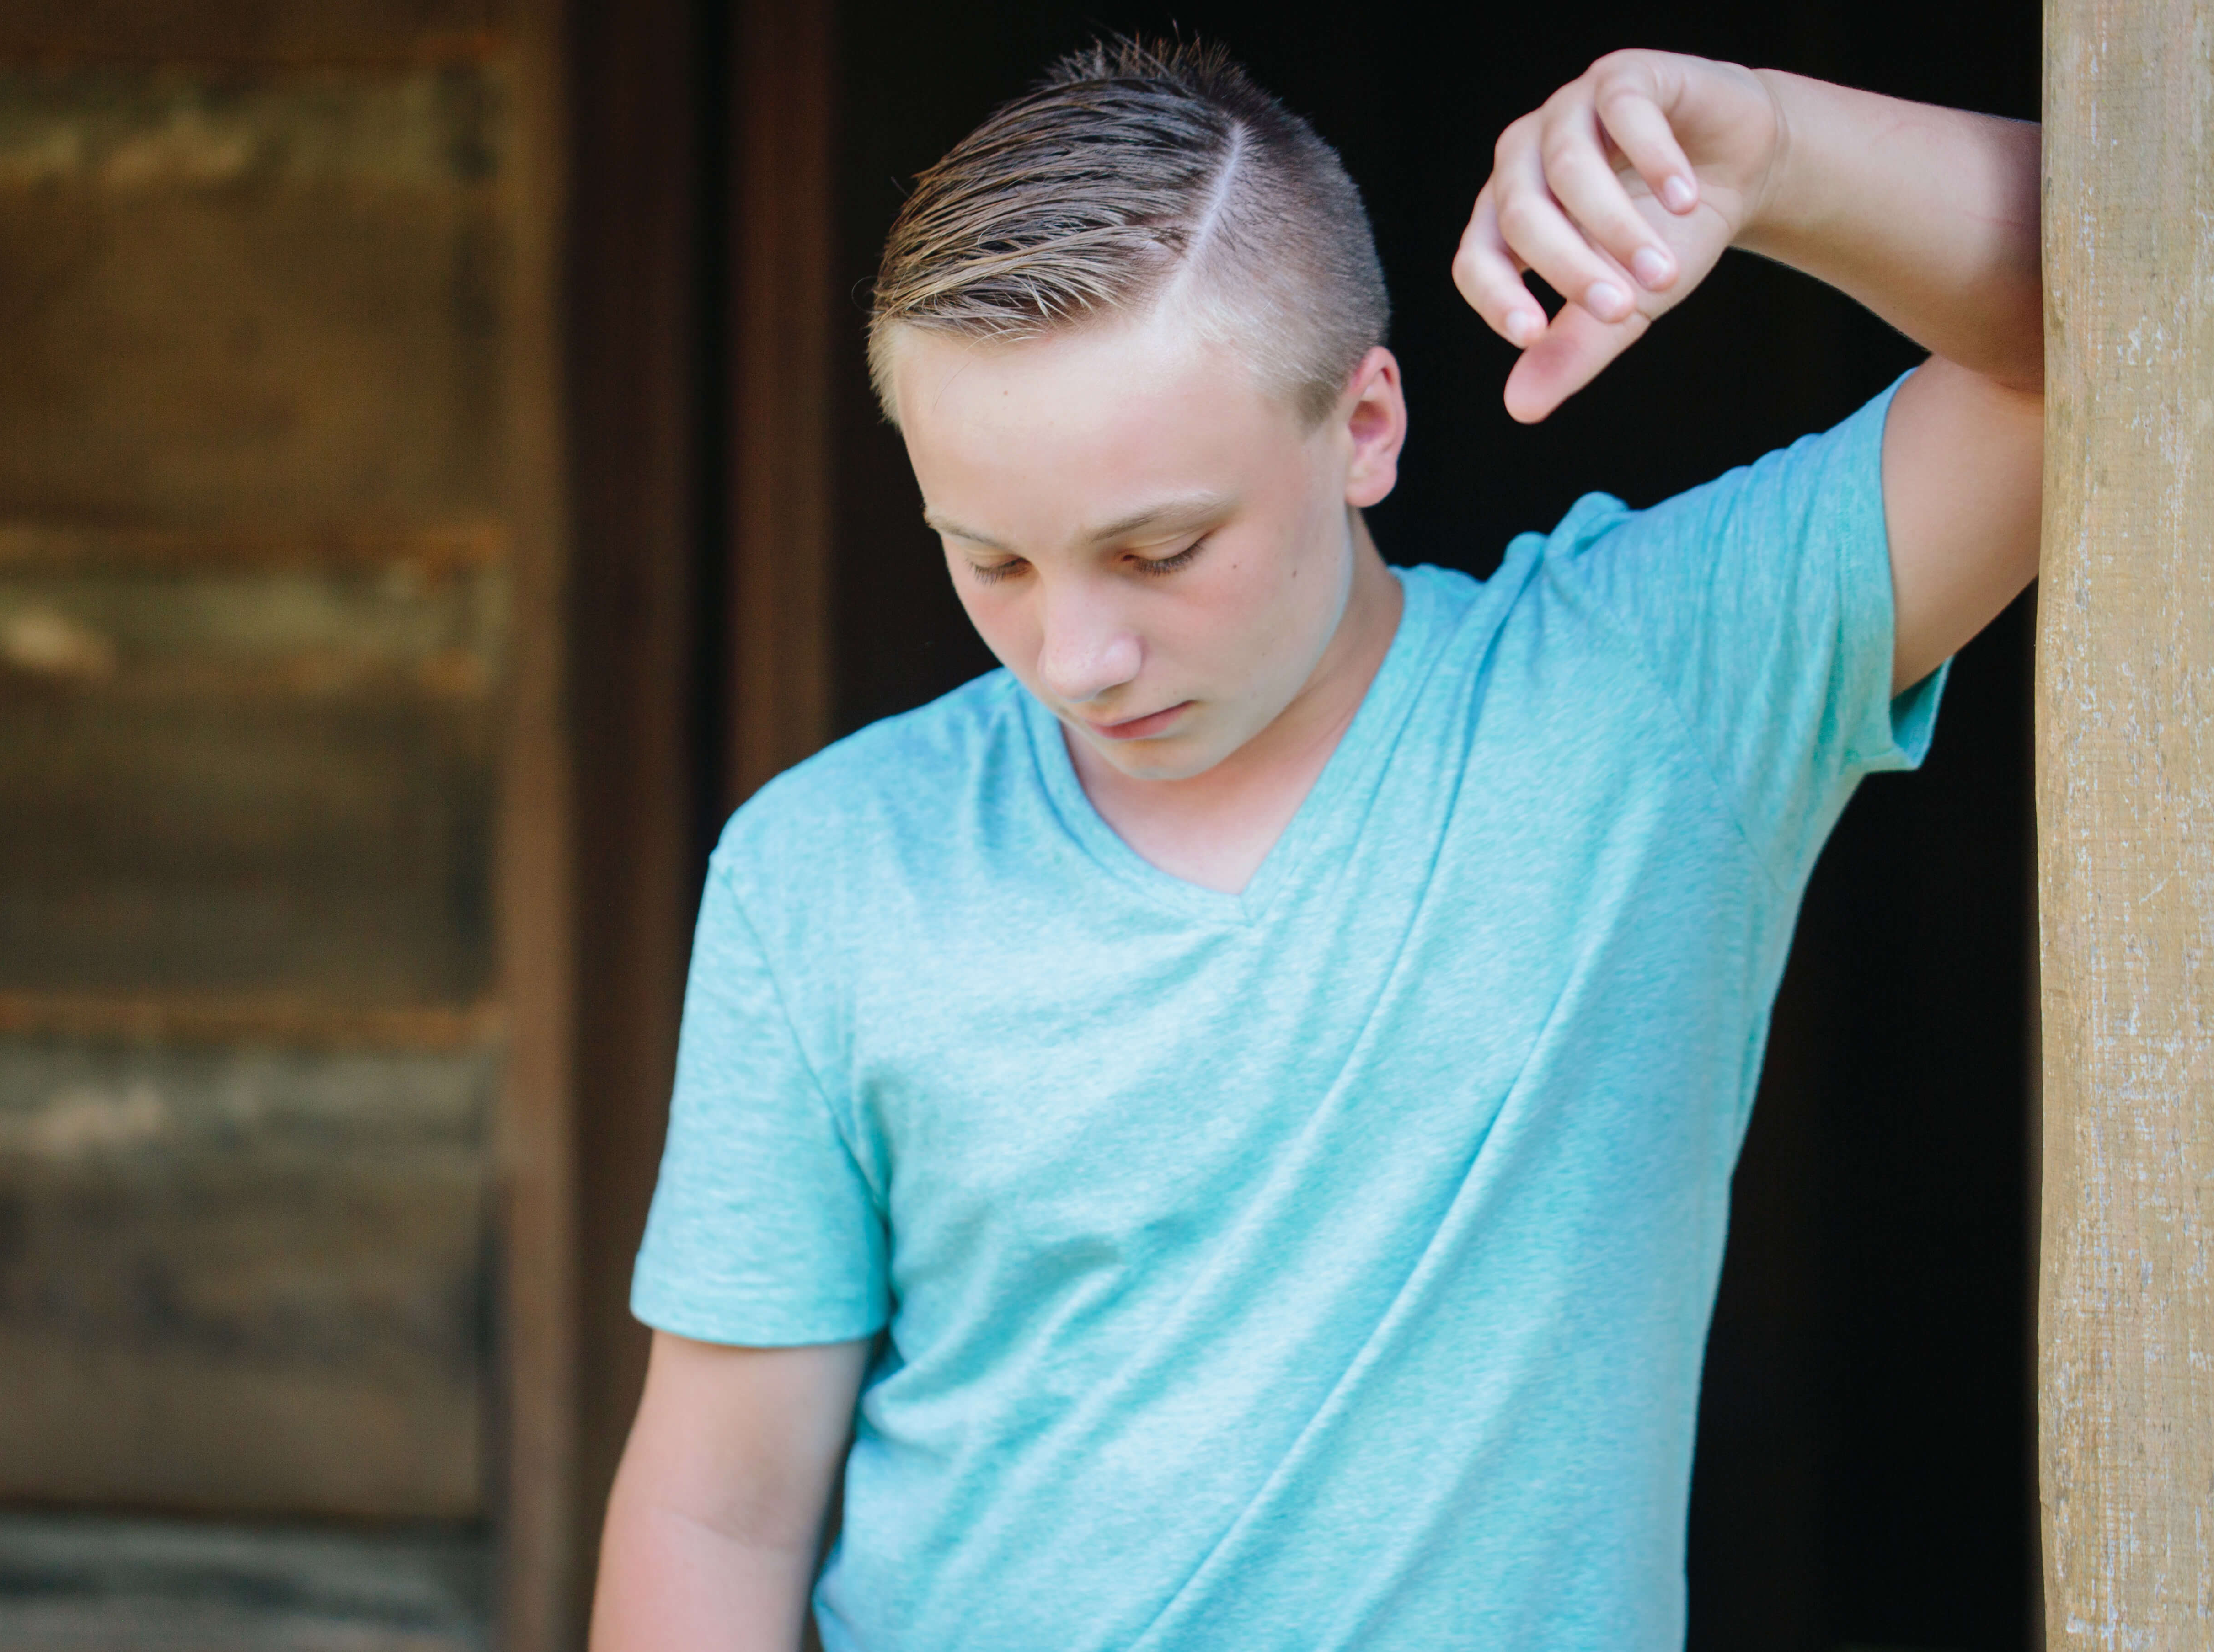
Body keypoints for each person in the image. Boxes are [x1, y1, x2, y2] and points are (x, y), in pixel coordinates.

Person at [590, 37, 2040, 1652]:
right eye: (989, 560)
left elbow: (2149, 294)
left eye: (1160, 549)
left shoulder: (1654, 697)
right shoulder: (823, 868)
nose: (1074, 656)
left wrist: (1772, 147)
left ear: (1364, 425)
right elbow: (712, 1511)